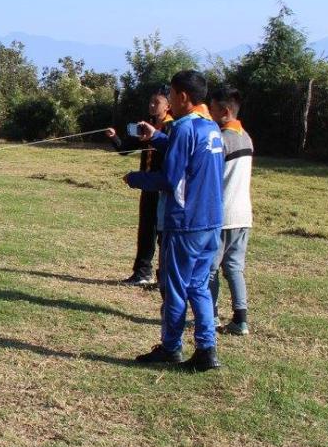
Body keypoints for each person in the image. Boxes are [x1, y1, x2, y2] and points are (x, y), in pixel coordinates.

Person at [125, 69, 224, 372]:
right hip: (211, 221)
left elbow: (170, 178)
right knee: (198, 287)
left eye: (170, 93)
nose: (168, 98)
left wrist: (137, 178)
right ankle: (207, 350)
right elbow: (189, 156)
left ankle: (171, 347)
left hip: (185, 222)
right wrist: (156, 137)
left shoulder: (182, 128)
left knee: (175, 286)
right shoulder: (211, 128)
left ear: (182, 97)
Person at [105, 87, 174, 287]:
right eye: (151, 102)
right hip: (147, 185)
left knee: (163, 234)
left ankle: (165, 278)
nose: (152, 106)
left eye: (157, 102)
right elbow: (125, 150)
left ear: (168, 105)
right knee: (146, 230)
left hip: (163, 187)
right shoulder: (146, 126)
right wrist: (113, 137)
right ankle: (143, 272)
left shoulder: (173, 128)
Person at [208, 86, 254, 336]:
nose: (209, 112)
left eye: (213, 108)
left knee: (210, 269)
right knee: (234, 268)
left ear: (225, 111)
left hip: (222, 215)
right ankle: (241, 319)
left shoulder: (221, 139)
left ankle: (211, 316)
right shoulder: (246, 136)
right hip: (243, 215)